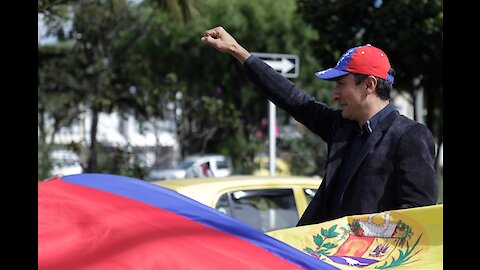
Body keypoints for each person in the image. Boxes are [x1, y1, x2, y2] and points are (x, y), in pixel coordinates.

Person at [200, 26, 438, 226]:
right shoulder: (342, 128)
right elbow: (293, 99)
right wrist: (239, 52)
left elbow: (417, 222)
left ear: (370, 84)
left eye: (340, 84)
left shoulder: (410, 137)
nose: (335, 95)